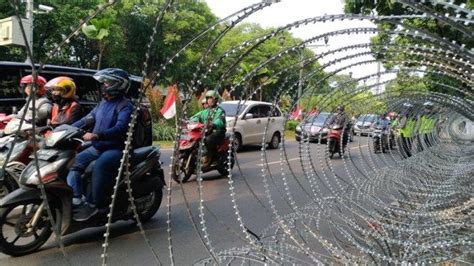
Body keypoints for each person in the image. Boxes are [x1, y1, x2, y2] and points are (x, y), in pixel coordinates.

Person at [66, 68, 134, 221]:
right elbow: (86, 120)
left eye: (107, 82)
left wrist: (98, 135)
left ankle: (96, 205)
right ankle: (77, 198)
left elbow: (120, 127)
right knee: (72, 163)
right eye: (103, 82)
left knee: (100, 167)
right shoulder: (103, 103)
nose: (103, 85)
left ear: (118, 84)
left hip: (116, 148)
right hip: (98, 147)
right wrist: (65, 129)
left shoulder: (125, 106)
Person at [190, 90, 226, 164]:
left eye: (211, 98)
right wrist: (191, 121)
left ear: (215, 99)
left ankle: (213, 157)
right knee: (194, 139)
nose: (209, 100)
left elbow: (220, 120)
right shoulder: (206, 111)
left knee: (208, 140)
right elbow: (196, 116)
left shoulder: (220, 110)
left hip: (218, 131)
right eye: (208, 98)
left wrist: (213, 124)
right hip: (208, 131)